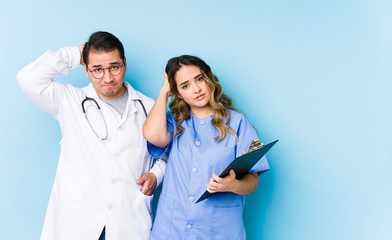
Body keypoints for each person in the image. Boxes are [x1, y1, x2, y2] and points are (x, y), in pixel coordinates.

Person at [17, 31, 166, 240]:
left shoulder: (149, 107)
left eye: (114, 67)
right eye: (97, 69)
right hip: (77, 219)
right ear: (85, 69)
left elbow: (170, 153)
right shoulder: (69, 101)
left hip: (126, 219)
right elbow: (28, 78)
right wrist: (74, 54)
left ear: (124, 63)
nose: (107, 78)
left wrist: (156, 175)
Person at [143, 55, 270, 239]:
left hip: (219, 230)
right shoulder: (174, 122)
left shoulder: (237, 123)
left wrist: (233, 185)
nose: (196, 89)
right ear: (177, 93)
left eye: (199, 79)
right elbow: (153, 136)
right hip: (172, 229)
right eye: (185, 86)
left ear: (209, 78)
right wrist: (164, 91)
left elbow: (253, 182)